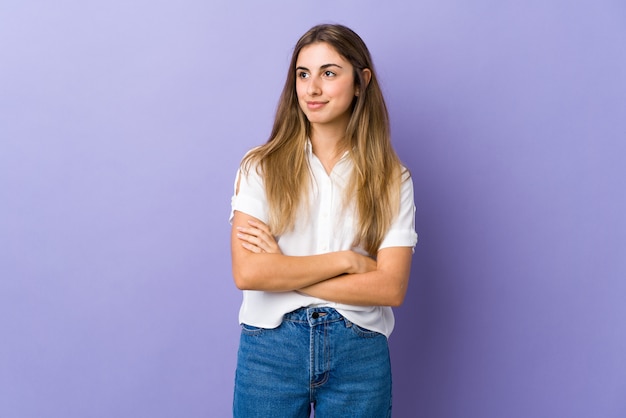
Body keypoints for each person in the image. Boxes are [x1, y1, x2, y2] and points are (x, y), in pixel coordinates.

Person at [229, 23, 418, 417]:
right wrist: (347, 262)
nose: (311, 88)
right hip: (270, 351)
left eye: (328, 73)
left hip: (359, 353)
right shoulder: (259, 168)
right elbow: (249, 274)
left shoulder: (392, 178)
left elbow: (390, 287)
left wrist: (282, 270)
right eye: (303, 74)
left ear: (360, 82)